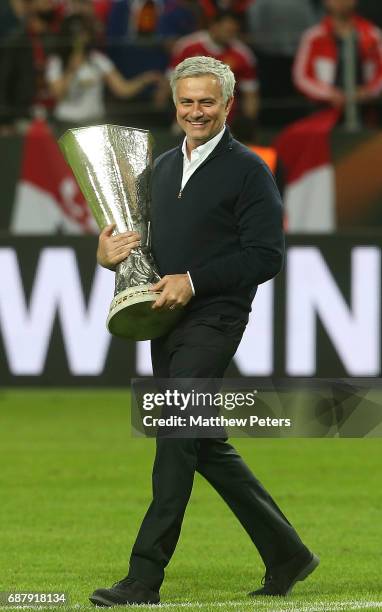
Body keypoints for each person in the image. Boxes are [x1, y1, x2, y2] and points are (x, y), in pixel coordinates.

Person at [89, 56, 319, 607]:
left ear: (227, 106)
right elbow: (141, 252)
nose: (197, 111)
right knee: (201, 441)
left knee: (174, 434)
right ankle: (287, 553)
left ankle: (143, 578)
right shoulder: (161, 170)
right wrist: (109, 255)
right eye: (187, 101)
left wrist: (194, 281)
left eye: (207, 102)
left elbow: (266, 255)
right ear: (176, 105)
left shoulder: (248, 169)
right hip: (163, 323)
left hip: (215, 319)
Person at [46, 12, 164, 125]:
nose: (81, 38)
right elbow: (58, 94)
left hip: (93, 122)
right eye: (78, 33)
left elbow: (123, 89)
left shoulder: (97, 60)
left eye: (84, 33)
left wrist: (146, 79)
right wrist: (71, 70)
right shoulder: (56, 62)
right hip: (66, 122)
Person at [169, 11, 259, 120]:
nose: (230, 36)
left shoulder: (243, 55)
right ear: (214, 26)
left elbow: (250, 95)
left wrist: (249, 122)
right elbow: (170, 82)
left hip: (225, 119)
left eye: (233, 32)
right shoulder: (187, 47)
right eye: (227, 31)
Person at [293, 0, 382, 109]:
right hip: (325, 110)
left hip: (369, 110)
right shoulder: (313, 37)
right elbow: (301, 77)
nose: (341, 2)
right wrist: (330, 95)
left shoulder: (374, 35)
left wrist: (368, 91)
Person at [0, 0, 59, 126]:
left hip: (54, 112)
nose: (49, 3)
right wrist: (4, 120)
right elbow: (4, 80)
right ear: (30, 6)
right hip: (22, 114)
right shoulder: (16, 41)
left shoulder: (56, 38)